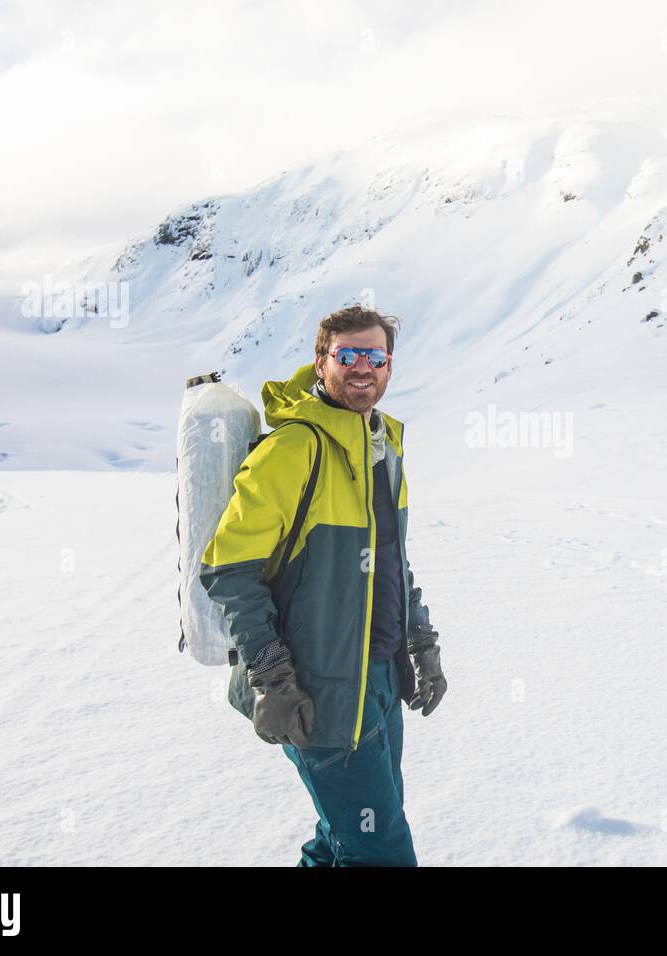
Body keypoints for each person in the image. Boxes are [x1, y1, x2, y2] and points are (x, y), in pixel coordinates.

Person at [200, 305, 447, 866]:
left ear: (389, 366)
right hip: (319, 693)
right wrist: (272, 676)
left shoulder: (383, 447)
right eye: (349, 355)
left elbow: (392, 564)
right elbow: (227, 568)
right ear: (321, 362)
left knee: (344, 838)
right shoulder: (293, 449)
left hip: (379, 682)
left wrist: (422, 642)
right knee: (381, 853)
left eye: (375, 356)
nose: (364, 367)